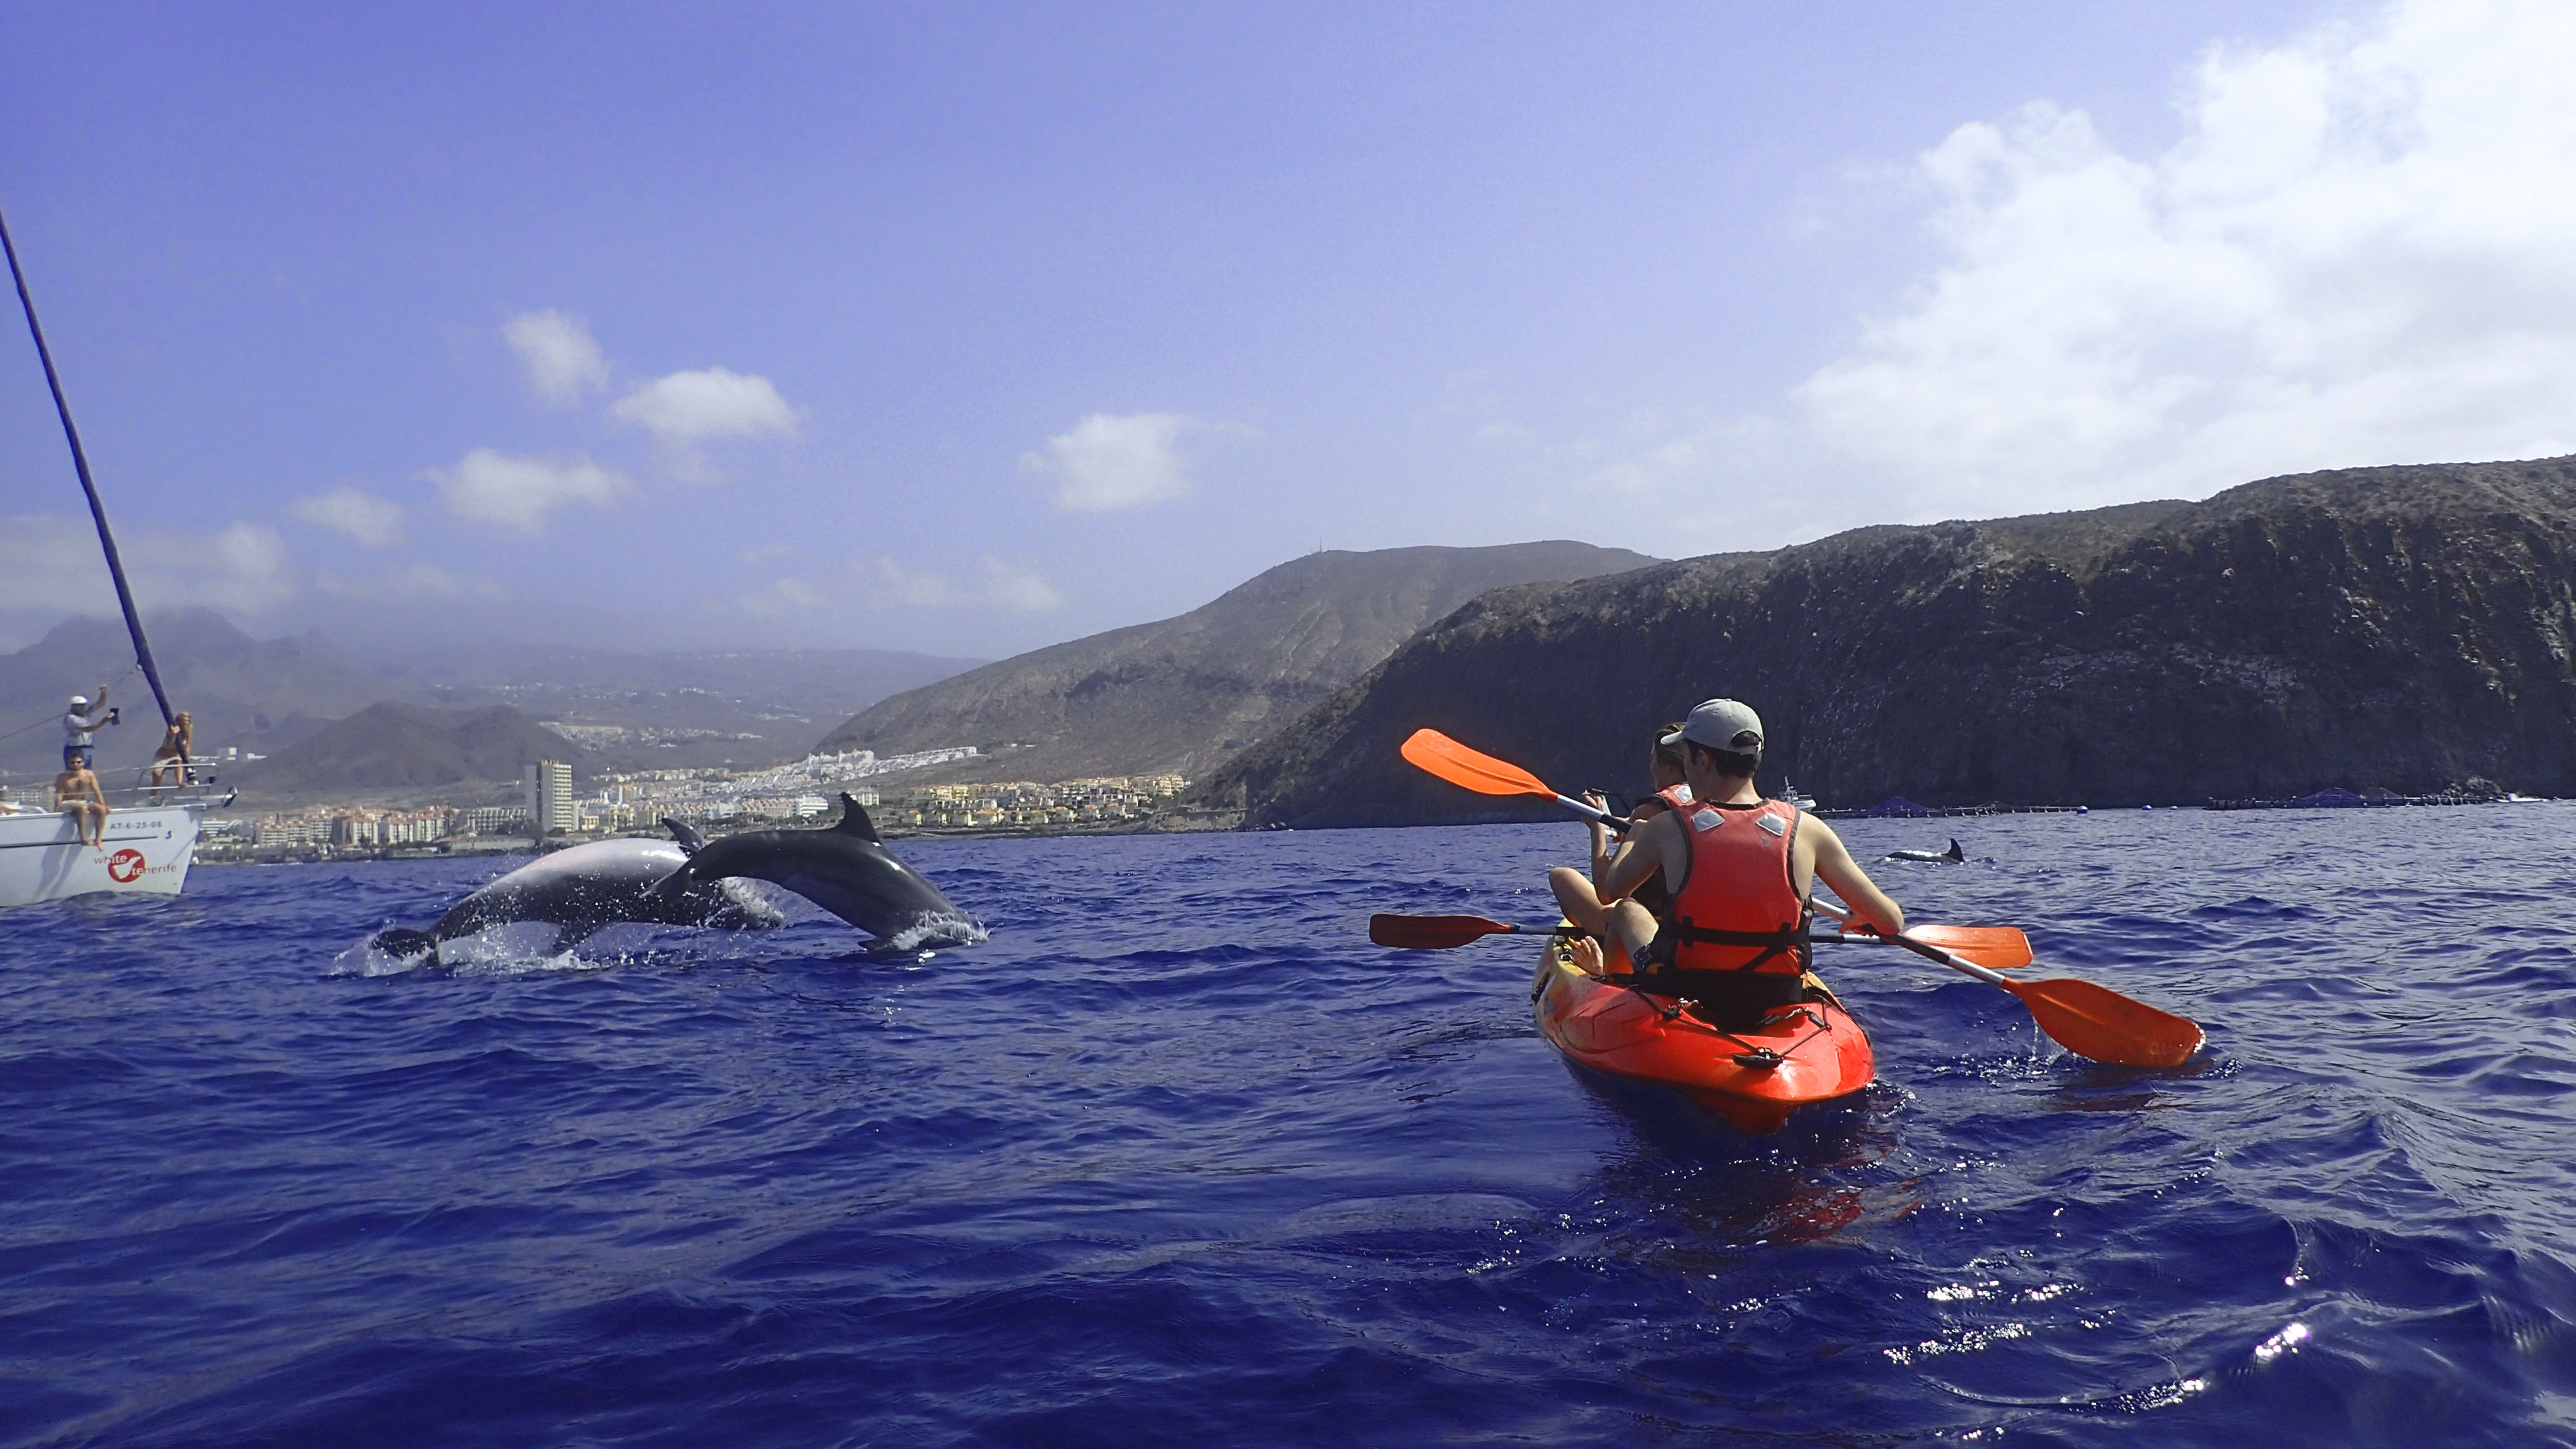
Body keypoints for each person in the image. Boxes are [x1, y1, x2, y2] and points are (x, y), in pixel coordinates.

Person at [1586, 698, 1906, 1031]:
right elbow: (1891, 922)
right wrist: (1862, 913)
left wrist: (1636, 835)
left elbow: (1610, 891)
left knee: (1628, 911)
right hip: (1777, 994)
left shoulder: (1666, 828)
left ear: (1703, 759)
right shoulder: (1809, 829)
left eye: (1686, 759)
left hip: (1686, 989)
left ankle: (1615, 993)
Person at [1546, 721, 1694, 932]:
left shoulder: (1651, 810)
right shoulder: (1710, 800)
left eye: (1653, 759)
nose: (1651, 766)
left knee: (1561, 877)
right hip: (1694, 923)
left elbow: (1605, 892)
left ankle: (1598, 936)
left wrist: (1597, 829)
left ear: (1669, 768)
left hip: (1650, 928)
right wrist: (1624, 825)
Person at [52, 756, 109, 848]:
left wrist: (104, 805)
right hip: (67, 803)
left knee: (101, 810)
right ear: (68, 764)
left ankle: (98, 840)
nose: (76, 765)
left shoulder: (89, 775)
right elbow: (59, 795)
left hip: (83, 801)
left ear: (83, 763)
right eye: (73, 762)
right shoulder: (63, 777)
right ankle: (83, 837)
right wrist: (56, 810)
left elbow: (96, 791)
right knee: (82, 808)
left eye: (78, 762)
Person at [62, 687, 116, 771]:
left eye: (84, 705)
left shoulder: (86, 713)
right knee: (75, 773)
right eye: (80, 706)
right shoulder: (71, 718)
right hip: (75, 749)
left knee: (87, 772)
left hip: (86, 748)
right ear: (74, 707)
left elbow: (100, 704)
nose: (83, 708)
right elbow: (89, 729)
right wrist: (106, 720)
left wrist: (104, 693)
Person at [148, 711, 193, 787]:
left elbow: (187, 745)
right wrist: (173, 735)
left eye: (186, 721)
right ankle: (154, 794)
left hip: (175, 754)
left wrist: (186, 759)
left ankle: (179, 783)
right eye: (182, 721)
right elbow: (167, 745)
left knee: (178, 762)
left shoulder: (188, 731)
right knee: (157, 774)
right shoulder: (172, 730)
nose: (185, 723)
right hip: (163, 754)